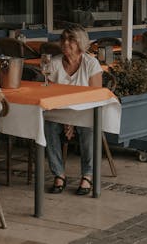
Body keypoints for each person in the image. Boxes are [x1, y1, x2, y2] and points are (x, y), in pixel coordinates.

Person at [44, 24, 102, 196]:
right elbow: (50, 97)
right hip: (59, 112)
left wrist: (73, 119)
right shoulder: (53, 64)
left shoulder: (91, 64)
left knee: (88, 128)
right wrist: (66, 120)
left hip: (86, 111)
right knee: (48, 125)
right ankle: (59, 174)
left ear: (81, 43)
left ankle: (88, 174)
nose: (65, 43)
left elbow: (95, 97)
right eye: (63, 38)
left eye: (71, 40)